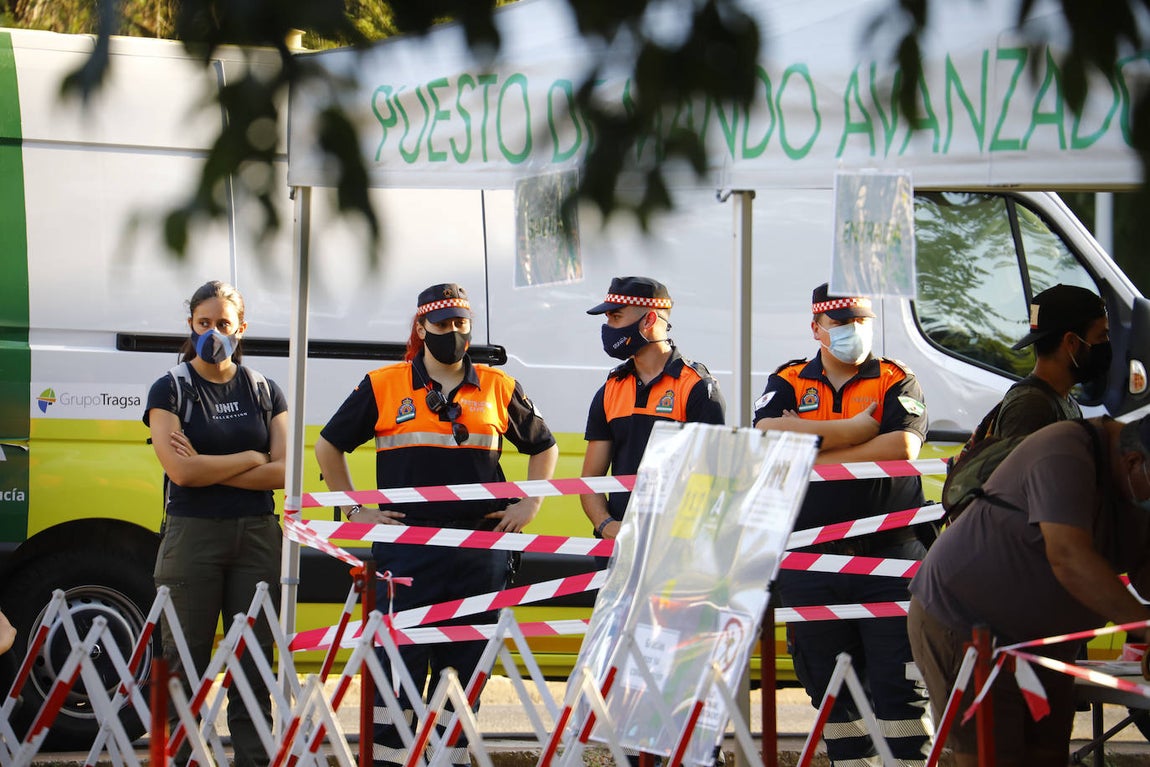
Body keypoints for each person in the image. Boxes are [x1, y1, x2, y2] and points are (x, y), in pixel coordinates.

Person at [315, 282, 558, 767]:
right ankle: (389, 760)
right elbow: (328, 447)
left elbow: (543, 447)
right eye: (443, 324)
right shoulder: (384, 385)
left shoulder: (497, 385)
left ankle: (450, 758)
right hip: (407, 550)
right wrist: (355, 510)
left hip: (479, 552)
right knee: (398, 670)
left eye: (461, 324)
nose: (453, 333)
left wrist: (529, 505)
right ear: (421, 327)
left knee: (465, 672)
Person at [753, 283, 931, 765]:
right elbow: (768, 436)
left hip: (889, 554)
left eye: (863, 322)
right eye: (842, 323)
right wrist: (855, 431)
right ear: (816, 329)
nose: (855, 331)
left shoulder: (896, 378)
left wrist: (810, 442)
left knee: (901, 683)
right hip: (812, 559)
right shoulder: (789, 378)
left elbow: (902, 447)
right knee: (829, 687)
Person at [909, 415, 1150, 767]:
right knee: (994, 757)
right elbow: (1069, 556)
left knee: (1046, 755)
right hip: (967, 622)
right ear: (1133, 463)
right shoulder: (1066, 450)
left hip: (1044, 643)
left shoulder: (1136, 486)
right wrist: (1144, 626)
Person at [145, 280, 288, 767]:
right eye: (204, 323)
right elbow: (181, 471)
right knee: (183, 664)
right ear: (191, 325)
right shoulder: (170, 387)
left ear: (241, 329)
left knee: (252, 664)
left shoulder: (265, 390)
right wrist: (252, 456)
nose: (213, 333)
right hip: (192, 537)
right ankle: (179, 760)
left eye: (223, 324)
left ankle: (254, 760)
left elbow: (286, 471)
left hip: (256, 536)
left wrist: (210, 466)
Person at [581, 276, 726, 540]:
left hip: (675, 550)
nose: (608, 327)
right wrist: (607, 526)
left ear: (648, 320)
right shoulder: (611, 389)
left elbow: (710, 481)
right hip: (617, 548)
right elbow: (590, 481)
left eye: (615, 317)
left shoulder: (697, 388)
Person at [993, 284, 1109, 439]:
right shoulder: (1031, 407)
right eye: (1101, 336)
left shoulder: (1065, 402)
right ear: (1072, 343)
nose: (1107, 343)